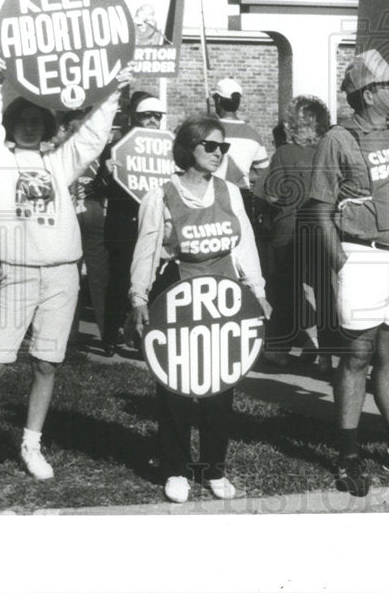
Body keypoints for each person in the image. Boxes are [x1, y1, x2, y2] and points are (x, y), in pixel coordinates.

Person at [0, 52, 128, 483]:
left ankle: (31, 443)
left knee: (46, 363)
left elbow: (92, 136)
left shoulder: (58, 163)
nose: (29, 126)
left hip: (62, 274)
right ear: (12, 124)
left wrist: (115, 90)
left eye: (36, 121)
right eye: (21, 120)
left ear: (46, 126)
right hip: (16, 274)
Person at [307, 49, 389, 497]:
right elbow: (320, 209)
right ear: (367, 94)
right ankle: (348, 454)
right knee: (356, 355)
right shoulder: (338, 138)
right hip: (361, 255)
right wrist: (341, 262)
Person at [129, 115, 271, 503]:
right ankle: (175, 467)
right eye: (210, 145)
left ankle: (214, 468)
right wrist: (138, 298)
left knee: (219, 385)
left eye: (222, 146)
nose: (218, 153)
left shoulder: (230, 192)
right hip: (178, 298)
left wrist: (257, 291)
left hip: (224, 300)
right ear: (187, 148)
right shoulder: (161, 196)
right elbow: (146, 250)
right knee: (175, 384)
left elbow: (245, 246)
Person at [260, 96, 332, 369]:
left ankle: (277, 347)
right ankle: (325, 353)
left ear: (296, 125)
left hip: (288, 232)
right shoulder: (328, 153)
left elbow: (272, 194)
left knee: (286, 293)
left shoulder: (284, 154)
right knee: (323, 292)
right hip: (322, 231)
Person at [95, 92, 166, 355]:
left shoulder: (168, 150)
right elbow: (97, 190)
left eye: (157, 116)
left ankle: (144, 339)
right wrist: (106, 172)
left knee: (152, 285)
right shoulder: (116, 147)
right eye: (147, 116)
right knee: (119, 283)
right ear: (135, 118)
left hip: (154, 227)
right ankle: (110, 337)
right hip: (124, 227)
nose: (153, 121)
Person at [210, 78, 270, 217]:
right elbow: (263, 173)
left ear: (218, 100)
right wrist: (243, 174)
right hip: (241, 198)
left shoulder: (208, 131)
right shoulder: (253, 135)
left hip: (212, 194)